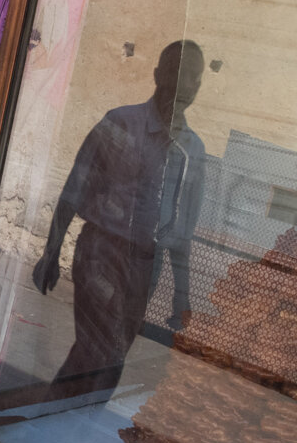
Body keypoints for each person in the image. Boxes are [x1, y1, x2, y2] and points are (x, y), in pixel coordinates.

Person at [33, 39, 207, 391]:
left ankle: (56, 420)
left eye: (193, 78)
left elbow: (183, 231)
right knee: (103, 352)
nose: (184, 86)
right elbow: (74, 188)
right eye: (177, 73)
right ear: (158, 75)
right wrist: (50, 252)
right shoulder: (120, 123)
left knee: (108, 357)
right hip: (101, 253)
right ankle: (55, 421)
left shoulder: (193, 150)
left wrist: (181, 296)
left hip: (146, 268)